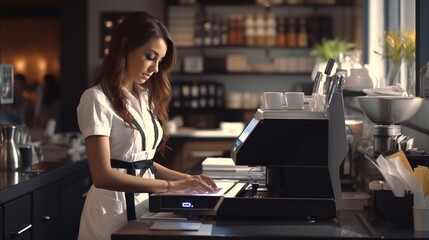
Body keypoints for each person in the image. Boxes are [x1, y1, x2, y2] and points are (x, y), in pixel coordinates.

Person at [76, 11, 218, 240]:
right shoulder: (96, 99)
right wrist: (173, 187)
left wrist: (188, 181)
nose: (155, 69)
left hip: (145, 206)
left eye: (160, 61)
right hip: (111, 211)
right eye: (150, 56)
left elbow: (144, 163)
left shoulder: (144, 97)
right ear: (125, 47)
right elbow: (102, 175)